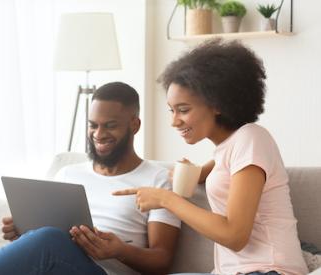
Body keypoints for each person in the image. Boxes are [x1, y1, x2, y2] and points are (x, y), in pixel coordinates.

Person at [114, 39, 309, 275]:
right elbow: (215, 170)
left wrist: (166, 199)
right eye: (172, 110)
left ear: (217, 104)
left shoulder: (251, 139)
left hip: (268, 270)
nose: (174, 121)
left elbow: (235, 235)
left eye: (184, 110)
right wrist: (190, 174)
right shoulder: (227, 148)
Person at [0, 82, 181, 275]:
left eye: (110, 126)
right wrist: (26, 232)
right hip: (53, 266)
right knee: (45, 238)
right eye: (93, 126)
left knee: (49, 239)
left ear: (135, 125)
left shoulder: (157, 179)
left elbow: (162, 261)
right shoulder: (69, 172)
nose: (98, 134)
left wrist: (118, 250)